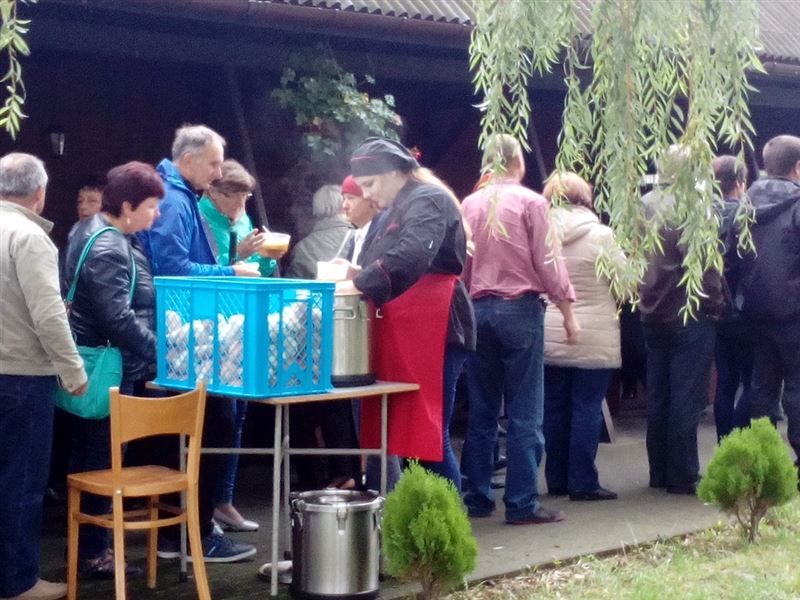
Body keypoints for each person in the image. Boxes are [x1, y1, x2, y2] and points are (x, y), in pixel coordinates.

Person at [140, 124, 257, 563]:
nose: (218, 172)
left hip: (182, 334)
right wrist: (232, 272)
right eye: (213, 163)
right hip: (182, 337)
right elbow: (171, 269)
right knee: (213, 425)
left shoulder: (178, 195)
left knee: (194, 430)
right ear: (187, 161)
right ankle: (197, 534)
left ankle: (180, 535)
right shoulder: (174, 201)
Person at [336, 137, 476, 490]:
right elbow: (383, 261)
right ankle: (419, 519)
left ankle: (447, 522)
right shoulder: (394, 208)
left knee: (429, 438)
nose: (366, 194)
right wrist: (357, 274)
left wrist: (359, 284)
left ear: (394, 173)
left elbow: (412, 254)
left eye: (370, 184)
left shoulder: (429, 199)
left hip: (439, 325)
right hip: (405, 327)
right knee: (410, 438)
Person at [460, 135, 578, 524]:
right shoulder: (532, 202)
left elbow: (463, 266)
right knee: (525, 411)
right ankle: (522, 502)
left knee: (482, 411)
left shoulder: (469, 204)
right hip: (520, 310)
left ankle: (477, 497)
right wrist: (568, 311)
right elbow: (548, 260)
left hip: (478, 309)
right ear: (519, 163)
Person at [62, 162, 164, 578]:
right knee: (102, 462)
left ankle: (87, 546)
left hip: (98, 363)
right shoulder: (110, 246)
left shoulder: (91, 231)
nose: (156, 214)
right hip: (110, 368)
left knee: (91, 457)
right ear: (126, 206)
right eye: (151, 206)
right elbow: (116, 318)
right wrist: (162, 352)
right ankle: (93, 552)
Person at [0, 152, 87, 600]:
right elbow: (49, 315)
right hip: (21, 375)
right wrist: (73, 370)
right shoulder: (29, 237)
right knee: (21, 481)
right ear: (40, 193)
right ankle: (17, 582)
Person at [198, 159, 281, 532]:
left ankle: (224, 501)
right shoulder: (201, 217)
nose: (243, 206)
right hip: (209, 328)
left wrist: (267, 259)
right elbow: (207, 270)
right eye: (238, 198)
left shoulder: (241, 219)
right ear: (216, 193)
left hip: (243, 323)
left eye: (247, 198)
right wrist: (241, 255)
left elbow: (255, 272)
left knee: (239, 415)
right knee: (220, 419)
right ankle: (206, 506)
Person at [639, 147, 723, 495]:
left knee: (659, 395)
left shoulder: (643, 204)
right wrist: (716, 304)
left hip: (651, 310)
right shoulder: (695, 206)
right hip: (689, 311)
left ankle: (658, 471)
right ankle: (683, 474)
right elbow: (705, 266)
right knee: (686, 396)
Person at [541, 172, 625, 501]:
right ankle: (583, 481)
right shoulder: (602, 236)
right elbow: (625, 285)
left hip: (552, 329)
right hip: (594, 334)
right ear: (585, 197)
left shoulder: (542, 233)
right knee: (587, 407)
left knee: (554, 407)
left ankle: (556, 479)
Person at [725, 135, 800, 463]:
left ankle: (763, 459)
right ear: (798, 167)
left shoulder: (744, 206)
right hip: (795, 313)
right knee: (797, 390)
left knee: (761, 388)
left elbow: (730, 259)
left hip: (755, 312)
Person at [712, 155, 752, 440]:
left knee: (725, 380)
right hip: (744, 308)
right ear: (739, 182)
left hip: (716, 309)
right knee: (752, 381)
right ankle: (740, 440)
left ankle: (724, 443)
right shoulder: (747, 214)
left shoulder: (702, 216)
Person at [285, 184, 352, 279]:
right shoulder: (359, 237)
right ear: (343, 206)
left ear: (316, 208)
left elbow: (294, 284)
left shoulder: (303, 247)